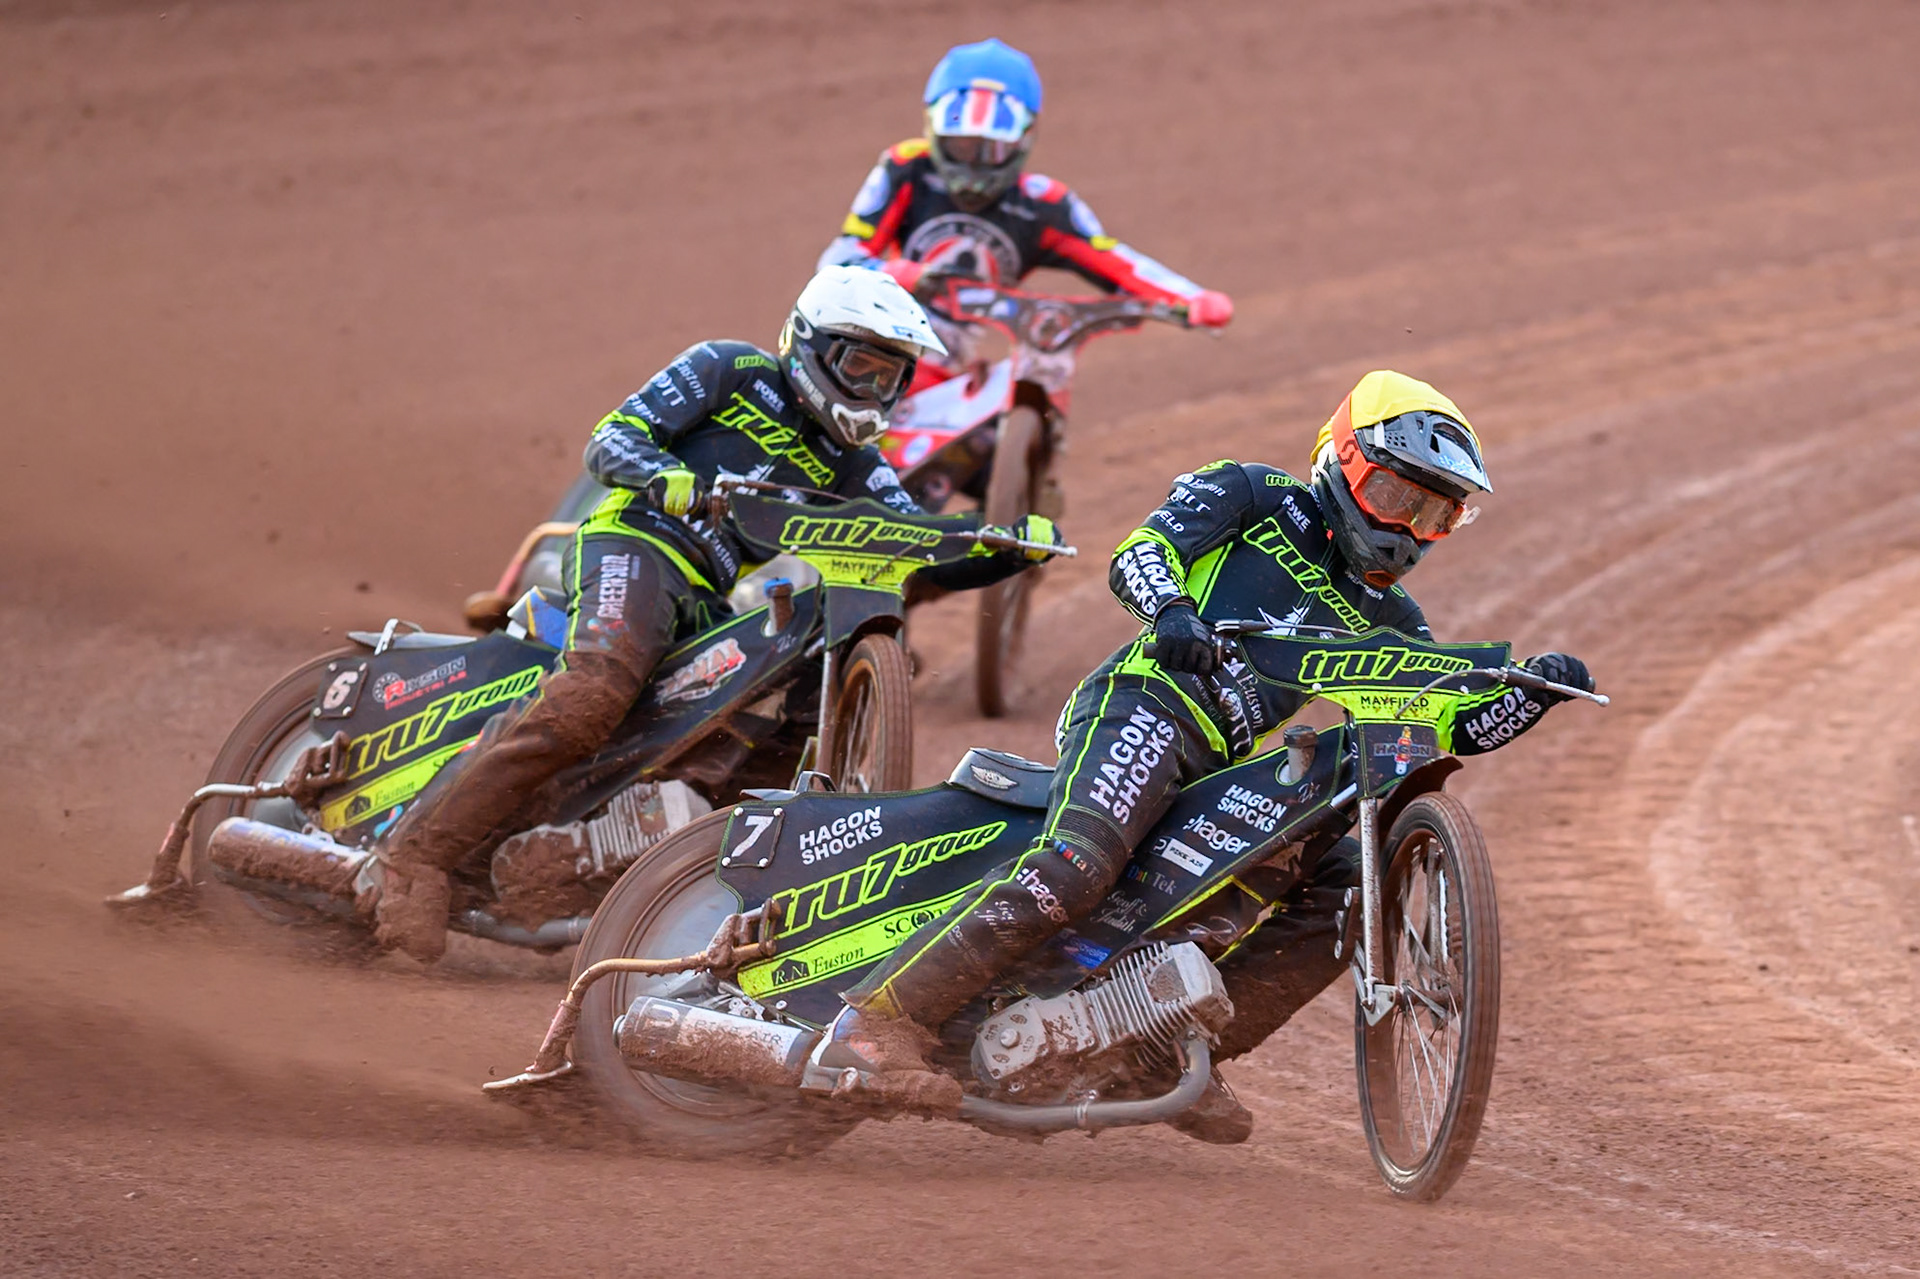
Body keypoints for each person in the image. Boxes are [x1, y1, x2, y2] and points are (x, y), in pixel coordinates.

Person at [815, 369, 1594, 1139]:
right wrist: (1173, 612)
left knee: (1348, 890)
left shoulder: (1392, 615)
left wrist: (1526, 696)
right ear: (1345, 461)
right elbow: (1141, 553)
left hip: (1220, 766)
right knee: (1079, 865)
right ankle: (879, 1019)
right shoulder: (1254, 495)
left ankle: (1163, 1058)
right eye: (1398, 498)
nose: (1407, 529)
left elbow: (1440, 726)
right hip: (1145, 703)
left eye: (1432, 515)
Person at [371, 266, 1059, 962]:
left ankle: (643, 864)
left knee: (753, 712)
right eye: (861, 365)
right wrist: (659, 475)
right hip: (634, 543)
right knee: (596, 689)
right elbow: (613, 437)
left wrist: (1005, 550)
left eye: (891, 377)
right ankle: (413, 856)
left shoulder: (856, 466)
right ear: (810, 344)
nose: (874, 390)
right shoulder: (731, 369)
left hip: (710, 598)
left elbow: (914, 544)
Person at [818, 37, 1234, 382]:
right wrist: (895, 274)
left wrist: (1191, 300)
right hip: (874, 350)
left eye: (991, 148)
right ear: (934, 130)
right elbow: (839, 258)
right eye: (961, 145)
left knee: (1003, 420)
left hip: (954, 374)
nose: (974, 163)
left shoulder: (1043, 204)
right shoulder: (905, 167)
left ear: (1024, 138)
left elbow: (1117, 262)